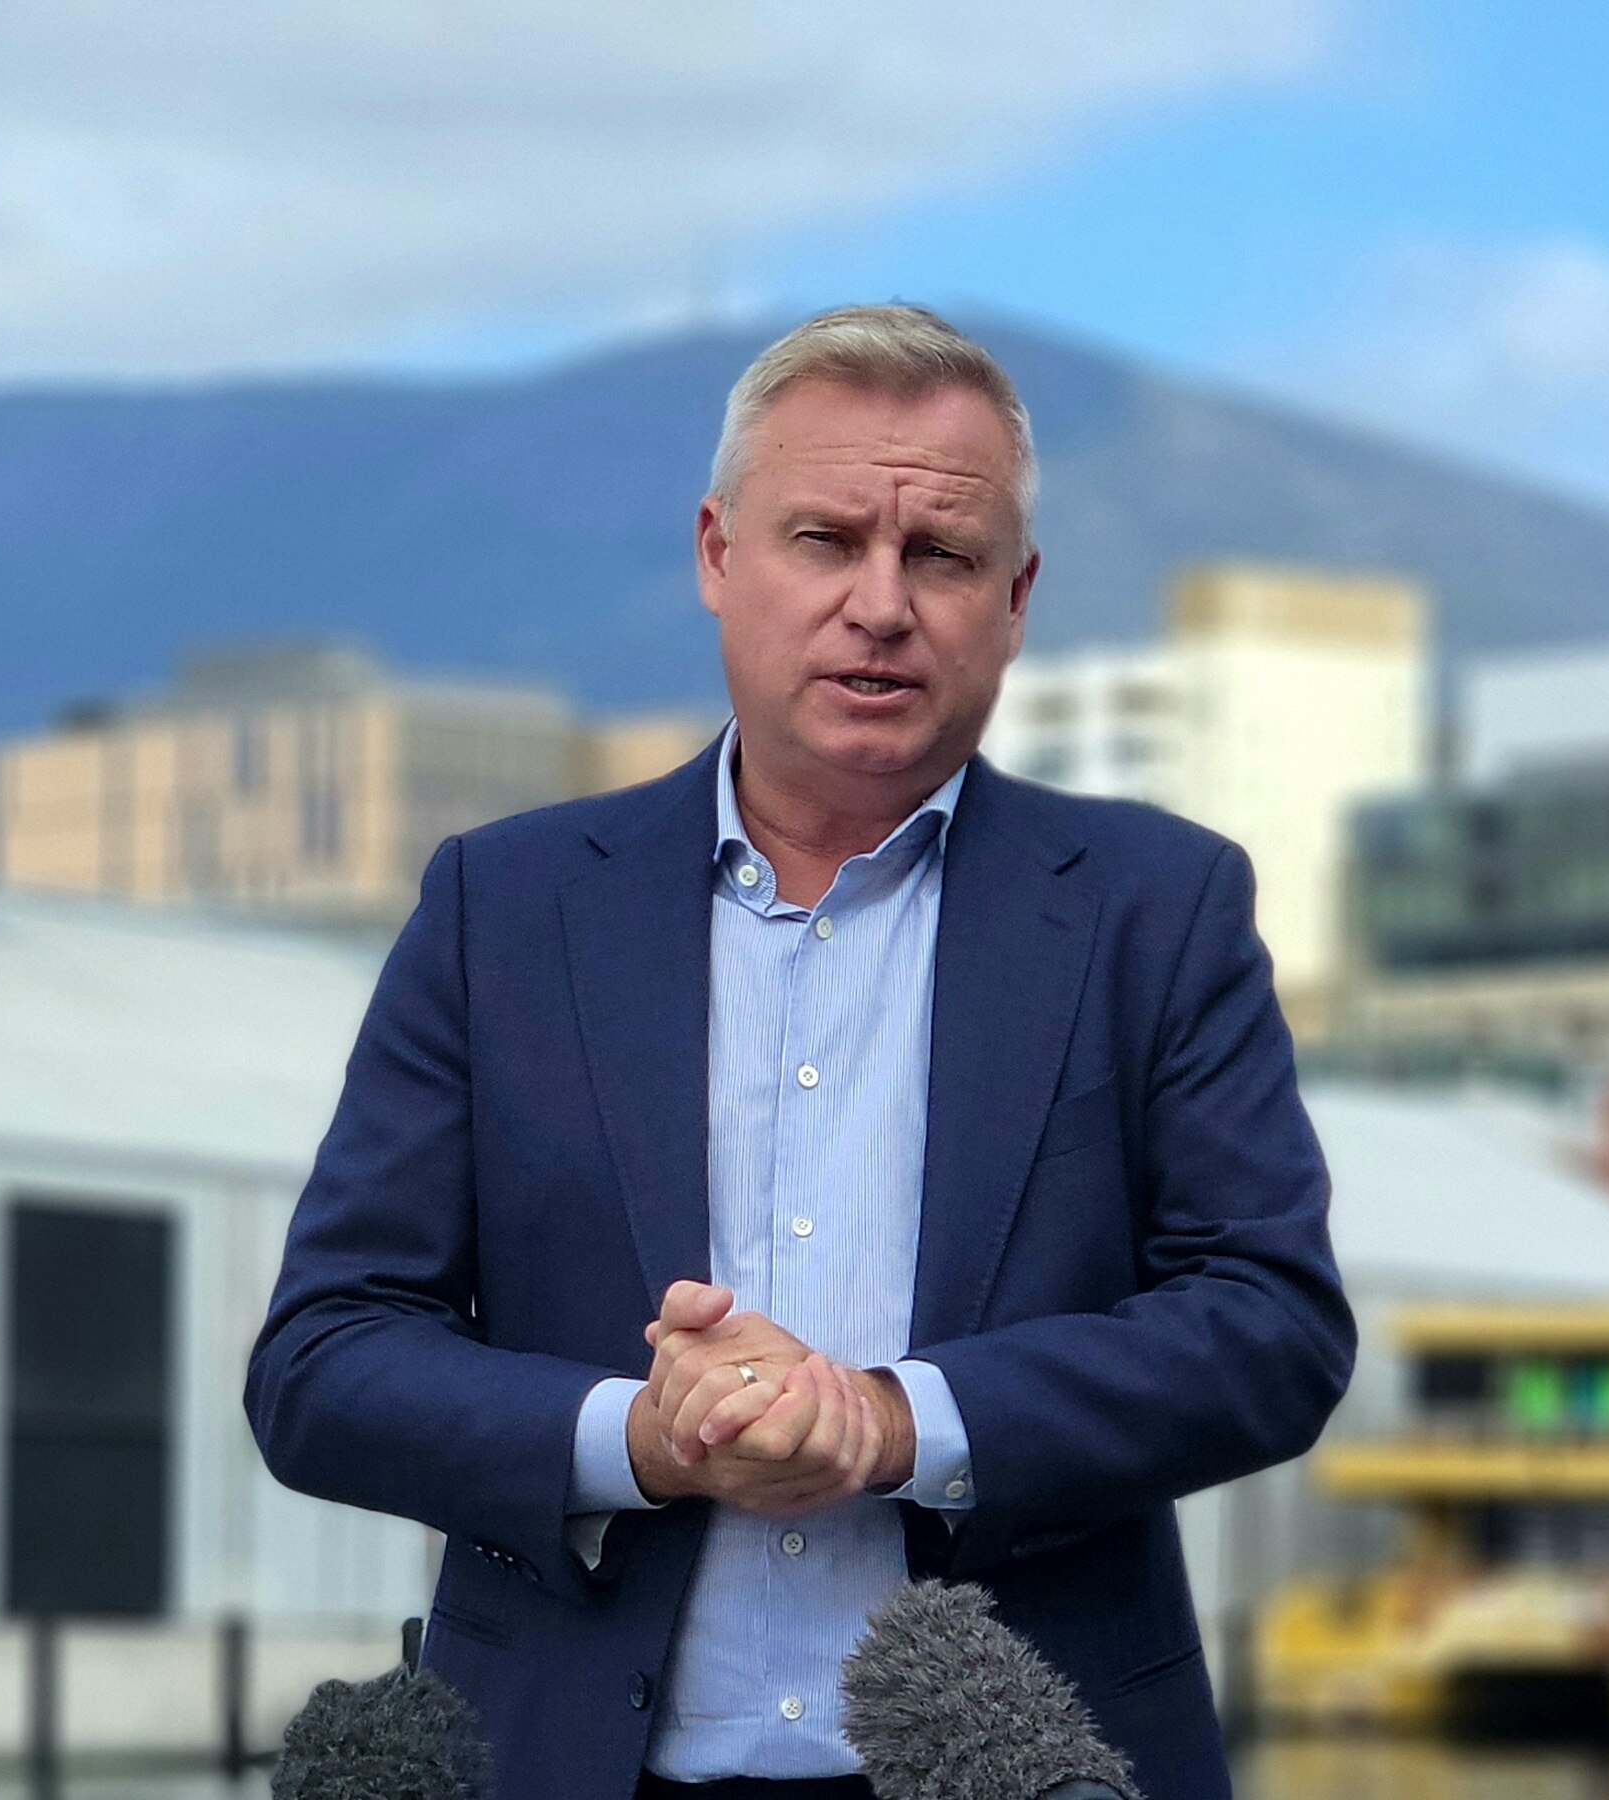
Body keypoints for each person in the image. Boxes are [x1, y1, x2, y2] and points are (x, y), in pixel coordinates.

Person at [249, 304, 1353, 1800]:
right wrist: (635, 1438)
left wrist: (895, 1422)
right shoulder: (501, 909)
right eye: (827, 539)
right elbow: (323, 1359)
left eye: (941, 557)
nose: (881, 605)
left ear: (1015, 599)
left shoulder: (1158, 910)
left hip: (1027, 1760)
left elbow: (1273, 1327)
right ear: (718, 555)